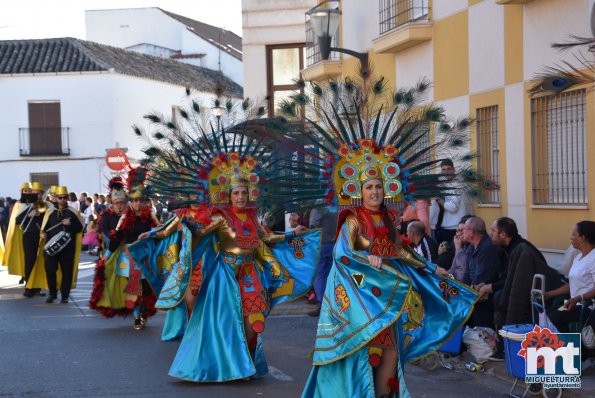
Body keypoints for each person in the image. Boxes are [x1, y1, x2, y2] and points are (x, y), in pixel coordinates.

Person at [302, 165, 478, 398]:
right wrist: (367, 256)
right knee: (364, 352)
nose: (374, 192)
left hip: (388, 295)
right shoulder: (353, 219)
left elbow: (402, 252)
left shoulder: (386, 220)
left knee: (392, 352)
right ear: (360, 191)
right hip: (361, 296)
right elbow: (341, 253)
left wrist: (433, 267)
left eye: (378, 187)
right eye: (369, 187)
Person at [89, 177, 131, 316]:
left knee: (129, 277)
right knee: (108, 274)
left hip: (129, 250)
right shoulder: (107, 215)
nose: (119, 206)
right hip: (111, 249)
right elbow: (103, 230)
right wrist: (112, 236)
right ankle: (110, 302)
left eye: (121, 203)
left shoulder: (130, 215)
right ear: (112, 203)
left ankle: (129, 303)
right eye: (116, 203)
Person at [545, 221, 595, 332]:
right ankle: (567, 345)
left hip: (587, 306)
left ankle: (570, 346)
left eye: (573, 234)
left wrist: (579, 298)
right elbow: (573, 284)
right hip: (574, 303)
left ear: (582, 238)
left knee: (553, 318)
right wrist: (549, 294)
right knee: (545, 314)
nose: (571, 238)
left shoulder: (593, 258)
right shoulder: (578, 258)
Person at [40, 186, 83, 304]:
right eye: (60, 198)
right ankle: (52, 294)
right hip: (51, 248)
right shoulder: (50, 212)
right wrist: (43, 234)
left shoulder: (72, 212)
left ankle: (65, 295)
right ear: (56, 198)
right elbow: (45, 229)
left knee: (67, 271)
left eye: (65, 198)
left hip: (68, 248)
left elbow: (79, 228)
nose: (63, 200)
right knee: (50, 270)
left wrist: (70, 224)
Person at [462, 216, 506, 328]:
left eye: (464, 229)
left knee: (475, 307)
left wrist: (466, 291)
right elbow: (466, 275)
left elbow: (483, 277)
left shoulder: (487, 247)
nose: (462, 232)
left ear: (471, 232)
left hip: (490, 292)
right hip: (477, 291)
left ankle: (481, 341)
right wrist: (461, 289)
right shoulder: (470, 248)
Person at [15, 182, 49, 297]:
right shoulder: (26, 205)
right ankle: (29, 288)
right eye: (33, 193)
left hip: (41, 236)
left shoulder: (46, 205)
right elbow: (17, 220)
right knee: (29, 261)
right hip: (29, 236)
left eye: (37, 194)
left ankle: (38, 288)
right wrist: (29, 215)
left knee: (39, 263)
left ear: (41, 194)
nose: (35, 196)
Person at [307, 201, 339, 316]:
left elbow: (313, 224)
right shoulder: (336, 204)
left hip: (321, 243)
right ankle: (330, 304)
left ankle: (322, 303)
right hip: (334, 243)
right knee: (330, 275)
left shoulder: (319, 205)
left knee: (318, 274)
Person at [435, 159, 471, 245]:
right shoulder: (448, 184)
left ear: (453, 169)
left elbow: (452, 207)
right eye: (444, 170)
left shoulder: (456, 185)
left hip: (453, 228)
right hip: (450, 226)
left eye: (449, 169)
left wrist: (439, 200)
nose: (446, 172)